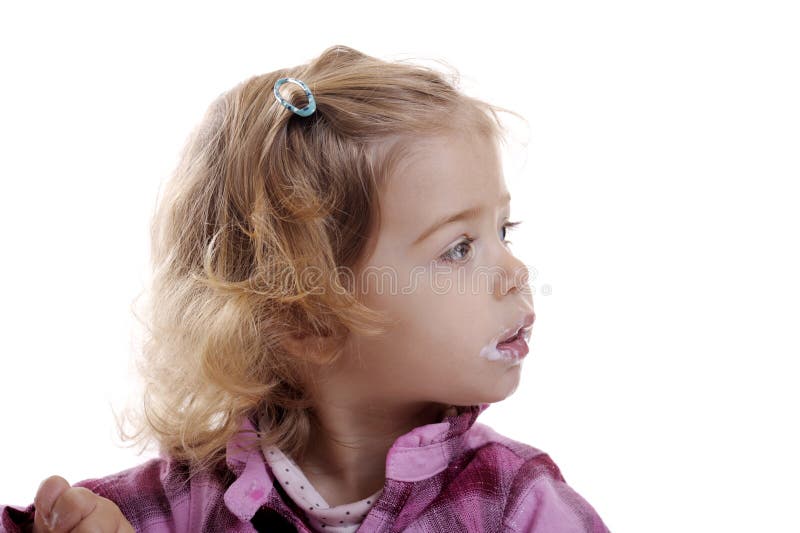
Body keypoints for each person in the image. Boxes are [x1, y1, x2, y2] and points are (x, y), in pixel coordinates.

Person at [0, 45, 611, 533]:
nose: (515, 271)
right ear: (309, 321)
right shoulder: (177, 506)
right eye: (458, 247)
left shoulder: (521, 508)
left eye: (503, 229)